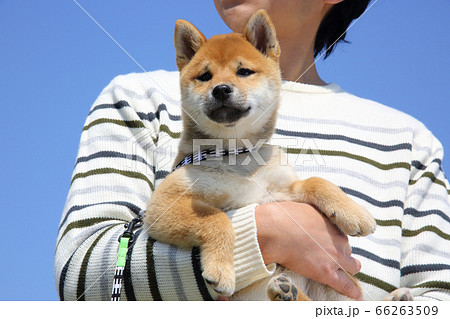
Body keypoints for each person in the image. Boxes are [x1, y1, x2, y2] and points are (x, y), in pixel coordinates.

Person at [54, 0, 450, 301]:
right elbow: (82, 282)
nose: (222, 85)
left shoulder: (408, 141)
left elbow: (438, 300)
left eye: (244, 72)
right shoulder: (139, 99)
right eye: (205, 76)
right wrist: (260, 235)